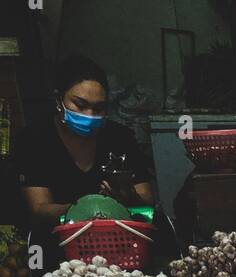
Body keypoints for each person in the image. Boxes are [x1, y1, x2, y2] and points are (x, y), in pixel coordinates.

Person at [14, 54, 154, 242]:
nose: (89, 115)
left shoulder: (119, 137)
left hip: (115, 241)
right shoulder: (34, 139)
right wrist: (91, 208)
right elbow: (39, 208)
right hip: (56, 243)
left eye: (99, 108)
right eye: (80, 105)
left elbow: (147, 199)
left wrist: (127, 197)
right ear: (58, 100)